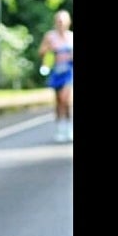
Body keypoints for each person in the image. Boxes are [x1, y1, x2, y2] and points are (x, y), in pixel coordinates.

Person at [38, 9, 73, 142]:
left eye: (63, 21)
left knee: (66, 99)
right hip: (56, 70)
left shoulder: (71, 37)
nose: (61, 23)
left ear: (68, 22)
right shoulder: (50, 36)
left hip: (69, 71)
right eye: (58, 21)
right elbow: (41, 52)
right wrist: (50, 50)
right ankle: (60, 128)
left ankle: (69, 126)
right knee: (58, 101)